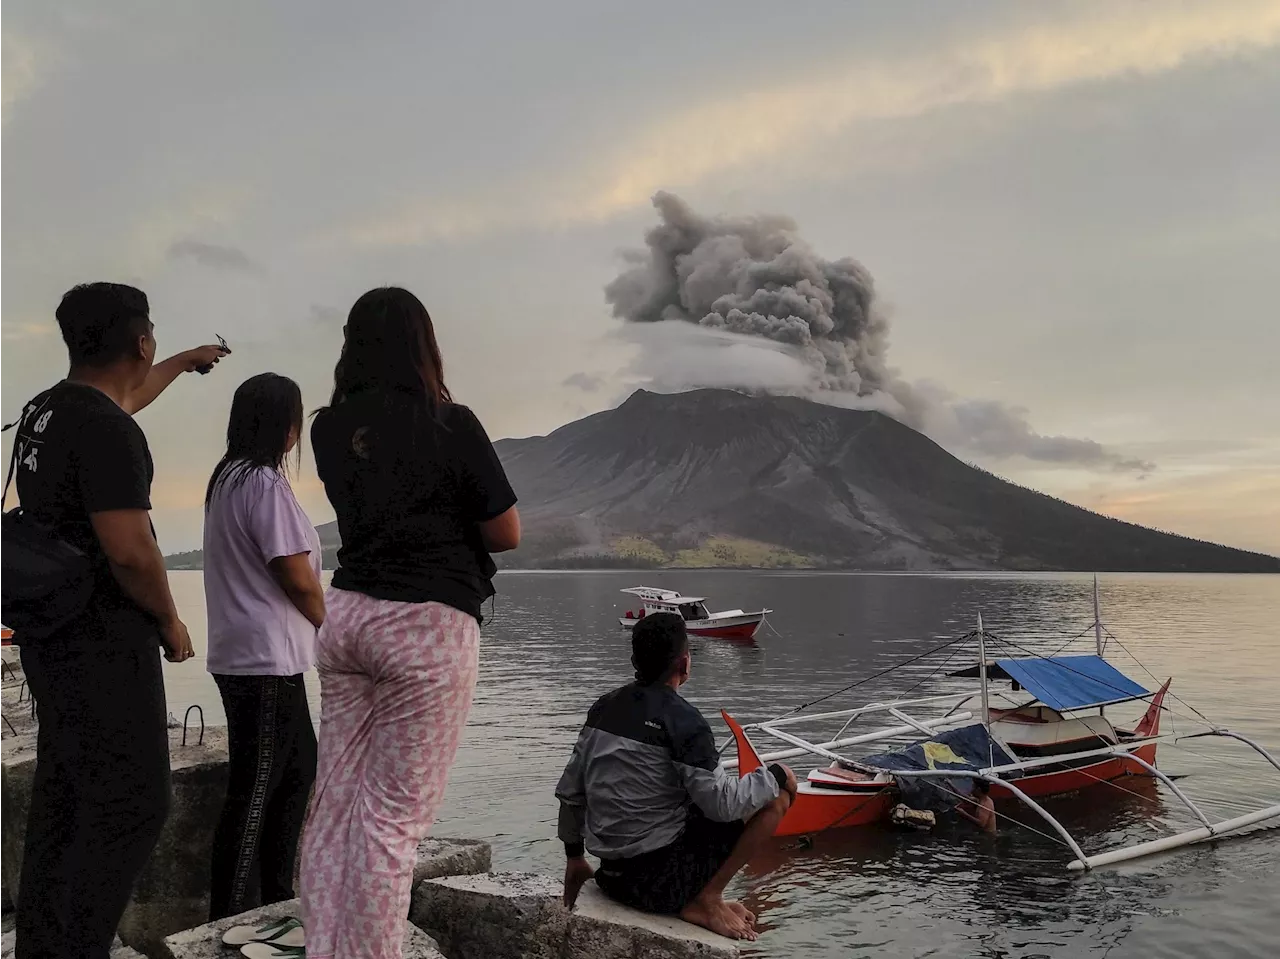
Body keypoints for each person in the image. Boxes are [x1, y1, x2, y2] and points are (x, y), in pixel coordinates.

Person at [300, 286, 520, 959]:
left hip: (348, 615)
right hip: (425, 626)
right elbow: (505, 530)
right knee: (391, 821)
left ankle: (325, 949)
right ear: (424, 345)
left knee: (333, 804)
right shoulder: (452, 424)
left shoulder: (328, 428)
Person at [10, 282, 227, 959]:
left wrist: (187, 360)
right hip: (103, 638)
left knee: (67, 788)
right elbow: (132, 551)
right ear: (140, 340)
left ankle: (45, 943)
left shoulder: (48, 409)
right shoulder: (108, 429)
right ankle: (78, 945)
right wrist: (170, 619)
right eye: (155, 337)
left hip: (52, 632)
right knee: (135, 801)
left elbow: (129, 392)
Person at [555, 613, 797, 942]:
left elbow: (571, 792)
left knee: (681, 802)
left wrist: (574, 858)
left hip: (611, 878)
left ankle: (708, 897)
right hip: (658, 887)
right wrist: (776, 775)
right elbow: (722, 806)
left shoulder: (604, 708)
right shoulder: (685, 721)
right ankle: (706, 899)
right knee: (778, 796)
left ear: (634, 661)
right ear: (684, 664)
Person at [203, 373, 323, 921]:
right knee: (257, 791)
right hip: (264, 659)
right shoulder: (263, 484)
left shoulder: (228, 478)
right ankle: (226, 921)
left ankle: (278, 903)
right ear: (285, 425)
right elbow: (295, 575)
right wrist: (335, 628)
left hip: (251, 655)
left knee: (296, 773)